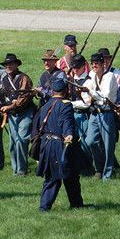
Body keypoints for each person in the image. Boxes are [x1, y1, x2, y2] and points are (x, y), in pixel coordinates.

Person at [32, 77, 86, 212]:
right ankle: (46, 207)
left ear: (53, 91)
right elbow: (66, 120)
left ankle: (75, 204)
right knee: (59, 177)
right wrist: (69, 133)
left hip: (46, 144)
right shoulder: (66, 104)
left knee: (67, 175)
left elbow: (36, 125)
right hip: (60, 145)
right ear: (66, 90)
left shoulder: (45, 105)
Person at [0, 53, 35, 176]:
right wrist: (2, 106)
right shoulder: (4, 79)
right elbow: (3, 95)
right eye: (6, 64)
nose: (8, 66)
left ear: (16, 64)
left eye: (10, 64)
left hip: (25, 112)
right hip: (12, 114)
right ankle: (15, 169)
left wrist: (10, 105)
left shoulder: (24, 78)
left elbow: (23, 98)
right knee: (13, 142)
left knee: (21, 140)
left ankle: (22, 170)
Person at [80, 51, 118, 180]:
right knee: (90, 141)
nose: (94, 66)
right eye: (93, 63)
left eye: (97, 63)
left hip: (107, 112)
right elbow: (87, 92)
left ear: (103, 64)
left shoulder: (110, 76)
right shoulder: (91, 75)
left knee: (108, 145)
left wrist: (90, 91)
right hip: (95, 112)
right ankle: (99, 168)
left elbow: (105, 96)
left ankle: (107, 173)